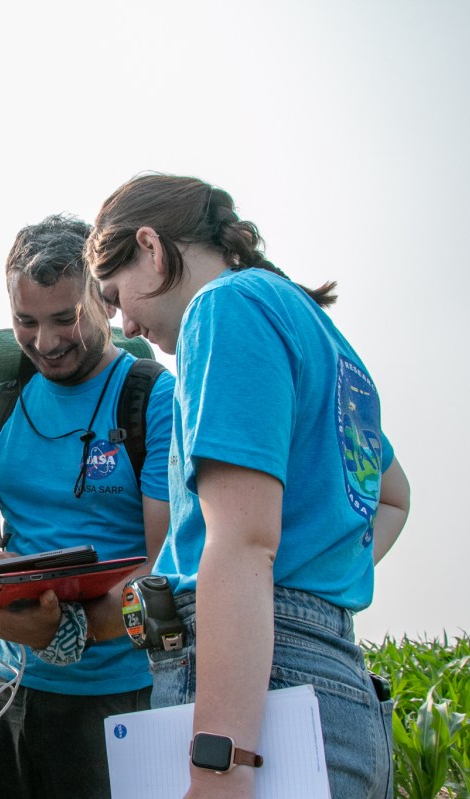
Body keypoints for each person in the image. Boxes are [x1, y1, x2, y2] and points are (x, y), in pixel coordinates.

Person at [86, 173, 412, 799]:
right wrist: (310, 571)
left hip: (263, 695)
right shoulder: (315, 329)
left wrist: (220, 766)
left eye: (116, 294)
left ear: (151, 247)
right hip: (336, 681)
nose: (125, 322)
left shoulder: (224, 308)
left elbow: (241, 543)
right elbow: (393, 497)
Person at [0, 214, 175, 799]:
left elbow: (167, 565)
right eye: (26, 321)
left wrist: (65, 631)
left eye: (65, 318)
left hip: (121, 695)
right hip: (7, 686)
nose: (45, 342)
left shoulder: (153, 398)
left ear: (104, 300)